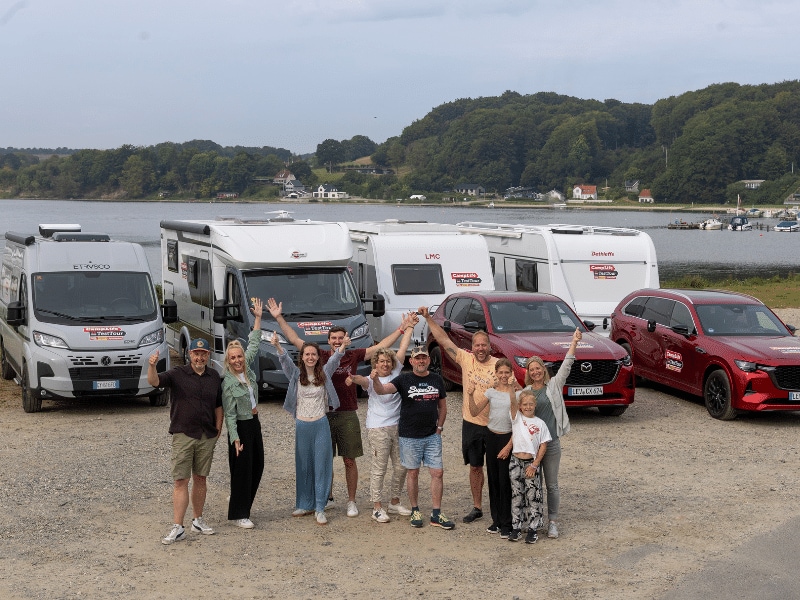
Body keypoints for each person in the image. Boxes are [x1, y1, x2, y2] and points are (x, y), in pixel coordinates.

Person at [267, 297, 411, 518]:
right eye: (333, 338)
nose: (337, 341)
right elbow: (294, 339)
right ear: (328, 340)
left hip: (347, 413)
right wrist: (278, 318)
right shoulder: (319, 356)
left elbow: (381, 347)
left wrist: (402, 329)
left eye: (340, 338)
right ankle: (327, 499)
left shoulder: (353, 354)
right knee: (324, 459)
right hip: (322, 415)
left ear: (347, 339)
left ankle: (351, 501)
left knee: (349, 459)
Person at [419, 305, 498, 524]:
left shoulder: (499, 366)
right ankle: (477, 507)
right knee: (475, 466)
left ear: (490, 347)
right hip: (471, 423)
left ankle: (498, 509)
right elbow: (444, 340)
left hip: (495, 426)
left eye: (484, 345)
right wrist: (428, 318)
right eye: (477, 345)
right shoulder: (466, 359)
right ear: (472, 347)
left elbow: (515, 390)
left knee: (495, 467)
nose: (480, 348)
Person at [148, 338, 223, 545]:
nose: (199, 357)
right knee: (181, 480)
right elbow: (154, 382)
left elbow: (218, 405)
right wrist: (152, 366)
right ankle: (178, 526)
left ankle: (197, 520)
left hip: (206, 436)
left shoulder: (214, 377)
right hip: (183, 435)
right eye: (195, 353)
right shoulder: (177, 374)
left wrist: (218, 430)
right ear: (189, 354)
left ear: (208, 356)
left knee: (201, 478)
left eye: (203, 353)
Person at [271, 328, 349, 525]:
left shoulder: (325, 374)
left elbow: (335, 360)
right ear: (303, 357)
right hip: (302, 425)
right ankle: (305, 504)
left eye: (314, 354)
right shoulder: (296, 375)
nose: (311, 357)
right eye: (307, 354)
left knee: (322, 465)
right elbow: (285, 361)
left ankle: (320, 507)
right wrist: (278, 345)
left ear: (317, 357)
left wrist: (343, 347)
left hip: (321, 423)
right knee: (304, 465)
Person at [371, 346, 454, 531]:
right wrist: (375, 379)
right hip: (409, 436)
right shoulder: (404, 379)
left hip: (432, 435)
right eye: (418, 358)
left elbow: (443, 406)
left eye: (424, 358)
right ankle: (415, 509)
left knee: (437, 473)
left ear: (429, 361)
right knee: (413, 473)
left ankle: (436, 513)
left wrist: (439, 428)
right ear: (412, 361)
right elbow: (383, 390)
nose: (421, 361)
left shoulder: (436, 379)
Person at [348, 312, 417, 523]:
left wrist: (410, 327)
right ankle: (377, 507)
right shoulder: (371, 378)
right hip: (378, 428)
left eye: (388, 361)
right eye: (381, 361)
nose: (385, 364)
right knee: (380, 468)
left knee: (401, 466)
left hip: (399, 426)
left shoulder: (397, 371)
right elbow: (362, 381)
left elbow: (403, 346)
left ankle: (394, 502)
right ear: (375, 364)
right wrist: (353, 378)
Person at [520, 327, 582, 540]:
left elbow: (567, 365)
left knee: (552, 484)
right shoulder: (524, 393)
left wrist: (574, 343)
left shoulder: (554, 386)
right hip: (531, 447)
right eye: (531, 369)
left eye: (538, 368)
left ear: (543, 370)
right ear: (528, 372)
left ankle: (553, 521)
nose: (535, 372)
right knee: (532, 485)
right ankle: (534, 520)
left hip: (552, 443)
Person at [221, 297, 265, 529]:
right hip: (241, 427)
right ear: (228, 361)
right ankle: (240, 513)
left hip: (254, 422)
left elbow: (254, 343)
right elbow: (229, 415)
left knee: (258, 465)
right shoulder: (228, 383)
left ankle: (241, 500)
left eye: (239, 356)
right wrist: (235, 439)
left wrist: (258, 317)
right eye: (233, 358)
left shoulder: (246, 369)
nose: (238, 360)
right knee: (243, 469)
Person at [465, 358, 516, 538]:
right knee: (493, 480)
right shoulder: (491, 392)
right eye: (500, 372)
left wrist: (509, 445)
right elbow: (474, 412)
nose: (503, 375)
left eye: (506, 372)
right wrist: (470, 395)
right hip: (491, 437)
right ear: (496, 373)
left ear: (510, 373)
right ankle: (496, 521)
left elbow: (517, 421)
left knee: (505, 482)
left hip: (506, 438)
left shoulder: (516, 394)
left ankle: (507, 523)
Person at [508, 389, 551, 543]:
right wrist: (512, 388)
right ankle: (516, 527)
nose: (528, 407)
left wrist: (535, 464)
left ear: (535, 405)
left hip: (530, 464)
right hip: (515, 462)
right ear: (520, 406)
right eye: (524, 404)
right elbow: (512, 402)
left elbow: (543, 445)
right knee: (516, 495)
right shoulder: (516, 418)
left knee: (533, 496)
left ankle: (533, 528)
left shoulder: (540, 423)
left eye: (530, 404)